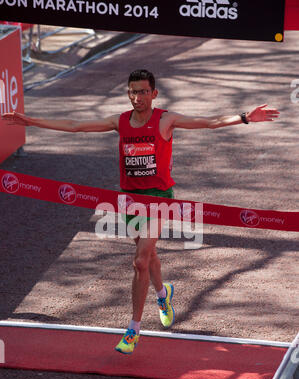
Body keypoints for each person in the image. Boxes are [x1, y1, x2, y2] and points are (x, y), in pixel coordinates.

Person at [2, 69, 280, 355]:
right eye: (133, 91)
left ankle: (134, 329)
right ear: (128, 93)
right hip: (130, 200)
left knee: (139, 261)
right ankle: (163, 294)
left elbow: (208, 123)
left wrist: (245, 117)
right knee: (148, 257)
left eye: (144, 91)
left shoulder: (165, 120)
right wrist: (30, 121)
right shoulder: (120, 122)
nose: (138, 97)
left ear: (154, 94)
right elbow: (76, 125)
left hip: (159, 198)